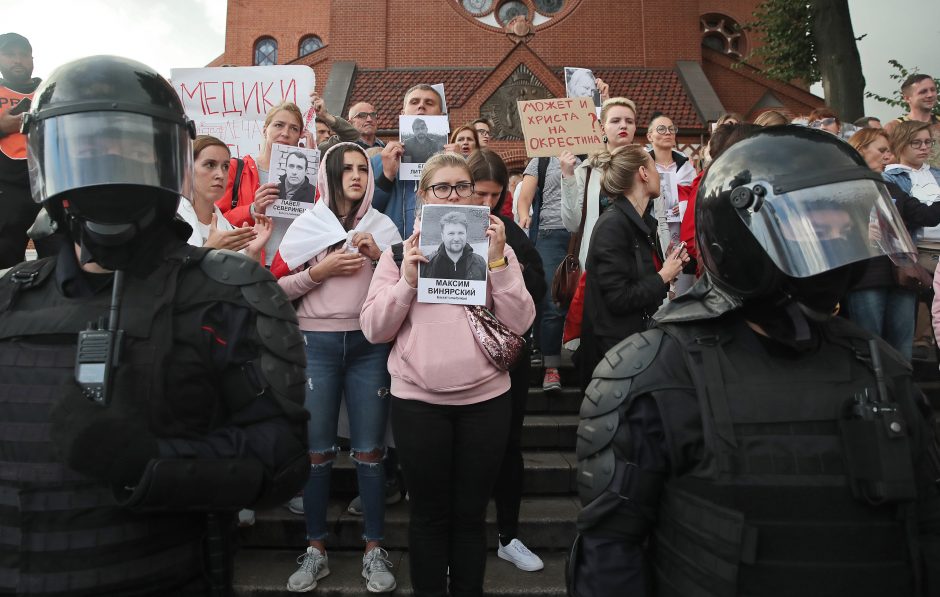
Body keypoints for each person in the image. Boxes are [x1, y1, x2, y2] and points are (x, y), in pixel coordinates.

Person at [571, 125, 940, 597]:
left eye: (843, 227)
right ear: (742, 236)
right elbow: (611, 556)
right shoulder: (656, 371)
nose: (835, 245)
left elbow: (925, 529)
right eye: (814, 228)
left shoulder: (879, 366)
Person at [3, 54, 309, 596]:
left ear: (163, 161)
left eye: (129, 152)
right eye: (91, 152)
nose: (110, 171)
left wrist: (156, 464)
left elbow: (282, 459)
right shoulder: (9, 297)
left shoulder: (224, 292)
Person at [360, 153, 535, 597]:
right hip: (419, 403)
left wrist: (498, 264)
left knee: (471, 516)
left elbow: (521, 322)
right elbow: (374, 328)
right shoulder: (399, 253)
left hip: (486, 401)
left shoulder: (500, 250)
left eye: (463, 187)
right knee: (429, 517)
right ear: (423, 196)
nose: (455, 195)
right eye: (443, 187)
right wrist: (407, 281)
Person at [276, 143, 402, 593]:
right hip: (317, 346)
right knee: (317, 452)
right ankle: (315, 549)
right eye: (345, 169)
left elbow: (404, 286)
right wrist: (320, 271)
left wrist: (382, 256)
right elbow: (277, 289)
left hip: (370, 346)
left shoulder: (384, 227)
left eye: (362, 170)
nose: (356, 176)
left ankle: (374, 550)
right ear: (328, 175)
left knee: (370, 451)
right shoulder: (306, 225)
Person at [467, 149, 546, 573]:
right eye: (478, 193)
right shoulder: (441, 230)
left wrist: (501, 263)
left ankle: (508, 535)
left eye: (493, 197)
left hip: (506, 357)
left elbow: (537, 288)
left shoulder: (511, 232)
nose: (484, 205)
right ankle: (462, 542)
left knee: (508, 447)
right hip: (458, 357)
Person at [577, 145, 688, 392]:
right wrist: (663, 275)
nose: (659, 173)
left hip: (630, 350)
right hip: (614, 358)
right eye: (654, 167)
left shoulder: (638, 222)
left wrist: (670, 265)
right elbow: (619, 298)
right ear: (643, 173)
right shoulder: (614, 225)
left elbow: (640, 285)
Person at [216, 94, 358, 265]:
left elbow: (326, 216)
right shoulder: (236, 168)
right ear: (265, 129)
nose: (285, 133)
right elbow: (217, 221)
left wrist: (314, 166)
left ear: (300, 135)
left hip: (294, 267)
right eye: (278, 125)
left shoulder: (312, 171)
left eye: (294, 128)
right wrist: (253, 209)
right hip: (245, 265)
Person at [843, 127, 940, 360]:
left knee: (901, 350)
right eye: (882, 150)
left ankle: (903, 396)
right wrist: (858, 230)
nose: (889, 155)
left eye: (889, 150)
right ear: (861, 149)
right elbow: (828, 228)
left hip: (902, 277)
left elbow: (925, 216)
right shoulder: (842, 186)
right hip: (866, 276)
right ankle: (876, 397)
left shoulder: (889, 186)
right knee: (871, 348)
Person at [516, 146, 578, 391]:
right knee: (553, 301)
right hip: (550, 233)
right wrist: (524, 215)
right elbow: (525, 198)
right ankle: (551, 366)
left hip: (584, 234)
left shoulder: (591, 156)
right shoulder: (541, 161)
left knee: (582, 298)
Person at [884, 120, 940, 359]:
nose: (923, 147)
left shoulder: (936, 173)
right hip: (918, 251)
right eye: (916, 142)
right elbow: (913, 215)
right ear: (900, 144)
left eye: (928, 142)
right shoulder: (893, 176)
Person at [560, 97, 639, 266]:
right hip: (598, 261)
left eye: (629, 121)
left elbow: (658, 217)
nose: (623, 125)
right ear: (602, 128)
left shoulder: (646, 166)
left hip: (639, 259)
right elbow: (572, 224)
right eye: (616, 121)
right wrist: (567, 176)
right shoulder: (587, 170)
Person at [177, 134, 271, 262]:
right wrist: (208, 251)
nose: (220, 175)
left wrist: (252, 254)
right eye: (210, 164)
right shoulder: (163, 224)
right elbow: (161, 278)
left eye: (225, 166)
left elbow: (248, 281)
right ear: (187, 168)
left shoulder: (234, 234)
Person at [372, 84, 446, 237]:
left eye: (429, 103)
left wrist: (460, 163)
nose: (421, 106)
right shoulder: (379, 161)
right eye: (414, 102)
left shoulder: (456, 163)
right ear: (403, 113)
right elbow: (367, 211)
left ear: (442, 115)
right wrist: (386, 176)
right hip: (393, 252)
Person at [0, 32, 43, 269]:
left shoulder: (51, 90)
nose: (18, 60)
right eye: (9, 54)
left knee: (61, 256)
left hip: (50, 188)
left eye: (24, 55)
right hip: (6, 192)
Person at [422, 209, 487, 281]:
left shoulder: (480, 262)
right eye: (451, 233)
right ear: (442, 236)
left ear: (466, 234)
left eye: (461, 233)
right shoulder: (427, 262)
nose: (456, 238)